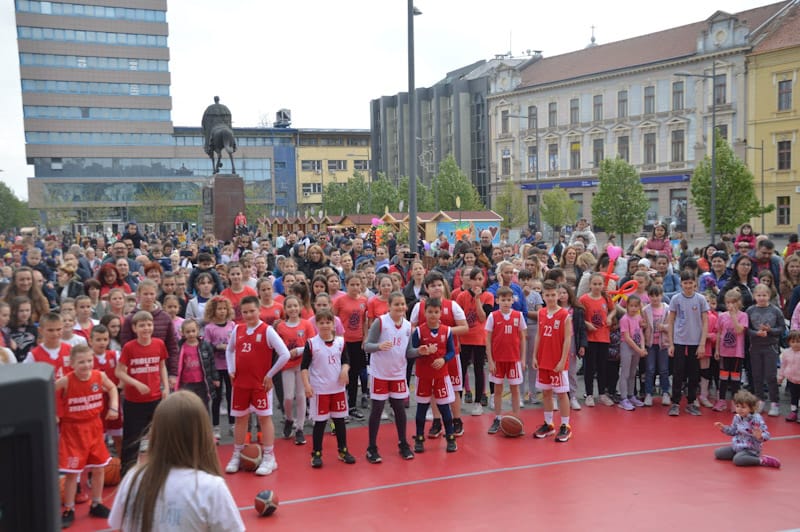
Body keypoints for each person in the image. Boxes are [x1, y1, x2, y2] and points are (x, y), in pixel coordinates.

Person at [108, 391, 245, 532]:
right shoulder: (210, 488)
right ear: (203, 434)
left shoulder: (133, 479)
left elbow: (119, 528)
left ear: (156, 432)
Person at [224, 295, 290, 476]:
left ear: (259, 310)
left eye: (252, 311)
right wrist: (231, 369)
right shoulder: (238, 329)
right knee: (240, 419)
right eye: (245, 312)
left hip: (260, 385)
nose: (249, 315)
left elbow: (285, 354)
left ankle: (270, 457)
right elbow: (230, 350)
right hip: (240, 384)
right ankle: (237, 453)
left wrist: (270, 375)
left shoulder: (267, 330)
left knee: (264, 419)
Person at [56, 344, 119, 528]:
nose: (86, 365)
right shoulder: (66, 381)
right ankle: (69, 509)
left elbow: (113, 388)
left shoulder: (99, 376)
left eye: (89, 360)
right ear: (72, 364)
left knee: (99, 469)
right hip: (73, 430)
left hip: (94, 427)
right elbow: (48, 391)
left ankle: (97, 503)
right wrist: (55, 413)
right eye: (81, 362)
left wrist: (114, 406)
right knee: (71, 474)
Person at [363, 292, 416, 463]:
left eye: (402, 304)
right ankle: (371, 447)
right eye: (397, 304)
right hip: (380, 373)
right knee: (377, 409)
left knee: (399, 409)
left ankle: (403, 443)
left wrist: (420, 352)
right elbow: (367, 346)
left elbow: (408, 352)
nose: (400, 307)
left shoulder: (408, 326)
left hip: (398, 373)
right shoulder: (381, 322)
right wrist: (378, 346)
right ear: (389, 306)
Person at [115, 310, 169, 475]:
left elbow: (162, 366)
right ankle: (127, 472)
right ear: (134, 328)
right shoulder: (129, 347)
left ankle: (162, 469)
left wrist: (166, 387)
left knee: (161, 436)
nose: (146, 328)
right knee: (132, 439)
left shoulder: (159, 344)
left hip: (155, 398)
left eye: (149, 324)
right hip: (134, 401)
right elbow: (119, 372)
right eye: (142, 325)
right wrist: (135, 383)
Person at [301, 310, 356, 468]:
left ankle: (343, 450)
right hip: (320, 390)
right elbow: (304, 367)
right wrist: (306, 385)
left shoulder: (340, 342)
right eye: (321, 322)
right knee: (320, 423)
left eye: (328, 322)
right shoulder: (311, 343)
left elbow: (346, 361)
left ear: (333, 325)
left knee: (339, 421)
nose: (325, 325)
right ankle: (316, 453)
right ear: (316, 325)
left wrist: (345, 370)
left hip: (337, 389)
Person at [410, 298, 458, 453]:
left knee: (444, 407)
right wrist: (421, 351)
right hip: (423, 375)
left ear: (440, 313)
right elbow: (411, 352)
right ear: (424, 312)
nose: (433, 315)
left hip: (441, 375)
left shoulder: (447, 331)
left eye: (436, 312)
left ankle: (450, 437)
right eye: (430, 311)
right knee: (422, 407)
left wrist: (443, 359)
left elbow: (451, 351)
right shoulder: (418, 331)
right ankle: (419, 438)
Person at [532, 280, 573, 442]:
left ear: (559, 295)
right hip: (543, 359)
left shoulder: (564, 315)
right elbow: (539, 335)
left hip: (557, 361)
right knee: (546, 393)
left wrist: (563, 360)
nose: (550, 298)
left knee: (562, 394)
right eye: (547, 295)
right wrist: (534, 356)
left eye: (553, 295)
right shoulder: (541, 313)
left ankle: (565, 426)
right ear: (543, 296)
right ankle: (549, 424)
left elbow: (567, 340)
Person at [274, 295, 316, 445]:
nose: (293, 309)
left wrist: (298, 351)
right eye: (289, 306)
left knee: (301, 396)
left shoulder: (306, 324)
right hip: (287, 365)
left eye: (295, 306)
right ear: (285, 309)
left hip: (302, 365)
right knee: (288, 397)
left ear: (300, 308)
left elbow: (311, 344)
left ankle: (299, 428)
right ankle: (288, 419)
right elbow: (276, 345)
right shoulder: (280, 327)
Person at [666, 271, 709, 417]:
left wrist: (702, 344)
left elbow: (705, 321)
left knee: (694, 373)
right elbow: (670, 321)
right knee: (678, 372)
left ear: (695, 283)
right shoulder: (676, 299)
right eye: (685, 283)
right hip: (679, 340)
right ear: (681, 283)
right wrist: (671, 343)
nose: (688, 286)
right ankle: (675, 402)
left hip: (695, 341)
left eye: (691, 283)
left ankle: (691, 402)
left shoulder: (701, 299)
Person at [485, 286, 527, 434]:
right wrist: (490, 360)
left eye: (509, 300)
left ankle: (516, 418)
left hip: (514, 359)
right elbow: (488, 340)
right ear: (497, 300)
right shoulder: (493, 316)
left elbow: (522, 338)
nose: (506, 302)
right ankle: (497, 418)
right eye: (503, 300)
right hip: (498, 360)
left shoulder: (518, 316)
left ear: (513, 300)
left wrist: (523, 359)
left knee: (515, 390)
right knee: (498, 390)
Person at [456, 267, 494, 414]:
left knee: (479, 369)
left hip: (479, 338)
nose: (477, 282)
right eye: (475, 279)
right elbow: (458, 319)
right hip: (464, 337)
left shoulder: (488, 296)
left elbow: (483, 317)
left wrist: (477, 299)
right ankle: (458, 399)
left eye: (480, 279)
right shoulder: (461, 296)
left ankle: (478, 402)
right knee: (461, 370)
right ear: (469, 281)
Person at [332, 274, 369, 420]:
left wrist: (365, 337)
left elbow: (365, 321)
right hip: (343, 342)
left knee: (355, 374)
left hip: (358, 341)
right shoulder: (339, 301)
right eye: (352, 284)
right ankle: (340, 403)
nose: (355, 287)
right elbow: (333, 320)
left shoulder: (364, 301)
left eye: (357, 284)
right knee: (342, 373)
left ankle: (352, 405)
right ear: (346, 285)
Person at [713, 390, 780, 468]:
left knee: (737, 460)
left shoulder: (756, 419)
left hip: (750, 449)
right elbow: (733, 431)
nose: (740, 409)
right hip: (737, 446)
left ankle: (761, 460)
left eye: (743, 407)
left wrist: (760, 436)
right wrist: (724, 428)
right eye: (737, 406)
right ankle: (742, 456)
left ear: (751, 408)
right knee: (718, 453)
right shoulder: (737, 417)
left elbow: (767, 434)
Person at [746, 284, 785, 417]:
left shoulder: (775, 310)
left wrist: (770, 331)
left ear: (769, 296)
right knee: (757, 376)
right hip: (755, 347)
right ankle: (760, 400)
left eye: (764, 295)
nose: (761, 298)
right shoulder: (750, 311)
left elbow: (782, 328)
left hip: (771, 347)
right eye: (759, 295)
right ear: (754, 296)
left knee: (770, 376)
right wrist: (756, 333)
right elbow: (747, 330)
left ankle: (775, 402)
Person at [579, 273, 615, 407]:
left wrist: (610, 317)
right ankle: (589, 394)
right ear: (589, 285)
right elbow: (578, 316)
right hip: (590, 338)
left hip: (603, 337)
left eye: (600, 284)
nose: (597, 286)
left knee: (602, 367)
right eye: (594, 284)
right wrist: (586, 324)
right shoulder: (583, 299)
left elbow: (613, 310)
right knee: (589, 367)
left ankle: (601, 394)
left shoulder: (606, 298)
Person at [202, 296, 235, 442]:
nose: (222, 312)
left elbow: (236, 343)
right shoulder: (209, 328)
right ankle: (215, 427)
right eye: (219, 309)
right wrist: (217, 347)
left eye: (224, 309)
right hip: (216, 367)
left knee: (231, 396)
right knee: (216, 398)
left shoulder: (232, 325)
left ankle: (232, 423)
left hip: (230, 366)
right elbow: (206, 347)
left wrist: (230, 347)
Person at [713, 289, 748, 411]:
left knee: (735, 379)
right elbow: (718, 333)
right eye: (728, 303)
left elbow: (739, 330)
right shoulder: (722, 316)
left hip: (736, 353)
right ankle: (721, 400)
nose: (730, 305)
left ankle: (735, 402)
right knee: (722, 377)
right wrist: (717, 350)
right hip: (724, 352)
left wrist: (733, 316)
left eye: (733, 302)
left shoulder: (743, 316)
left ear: (739, 303)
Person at [175, 319, 218, 413]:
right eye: (188, 332)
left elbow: (211, 362)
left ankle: (204, 425)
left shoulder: (205, 345)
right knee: (187, 407)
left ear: (198, 330)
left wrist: (215, 378)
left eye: (193, 331)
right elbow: (176, 364)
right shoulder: (180, 347)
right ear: (182, 333)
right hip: (186, 382)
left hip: (203, 382)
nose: (191, 334)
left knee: (204, 405)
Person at [558, 283, 587, 411]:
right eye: (559, 293)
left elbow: (581, 329)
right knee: (556, 369)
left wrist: (582, 345)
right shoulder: (554, 309)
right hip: (556, 342)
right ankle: (555, 396)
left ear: (569, 294)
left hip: (572, 341)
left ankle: (573, 396)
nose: (562, 295)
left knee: (571, 370)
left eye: (564, 292)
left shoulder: (577, 310)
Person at [642, 285, 671, 407]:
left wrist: (664, 327)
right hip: (650, 344)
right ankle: (648, 393)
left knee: (664, 370)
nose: (655, 298)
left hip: (663, 344)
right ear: (648, 296)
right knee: (650, 369)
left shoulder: (667, 309)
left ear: (662, 295)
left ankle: (665, 392)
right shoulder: (645, 310)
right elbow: (642, 327)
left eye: (657, 295)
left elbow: (671, 326)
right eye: (652, 296)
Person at [617, 295, 647, 411]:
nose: (633, 308)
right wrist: (639, 349)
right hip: (627, 347)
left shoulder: (639, 317)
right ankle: (623, 398)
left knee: (633, 372)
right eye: (631, 306)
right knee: (625, 373)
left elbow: (640, 333)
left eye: (636, 306)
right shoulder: (624, 319)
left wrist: (642, 347)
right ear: (627, 306)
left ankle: (631, 395)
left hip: (637, 347)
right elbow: (627, 338)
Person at [778, 330, 800, 422]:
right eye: (793, 342)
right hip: (791, 379)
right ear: (789, 342)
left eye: (798, 341)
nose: (795, 344)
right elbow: (783, 366)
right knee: (793, 397)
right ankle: (793, 412)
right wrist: (780, 377)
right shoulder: (786, 353)